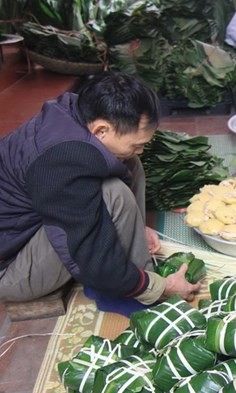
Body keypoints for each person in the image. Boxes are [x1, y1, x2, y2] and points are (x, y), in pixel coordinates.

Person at [0, 72, 199, 316]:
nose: (142, 148)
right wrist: (160, 288)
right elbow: (94, 263)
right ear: (102, 129)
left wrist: (137, 228)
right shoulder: (60, 161)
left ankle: (131, 265)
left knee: (130, 162)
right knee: (113, 194)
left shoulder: (77, 113)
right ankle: (125, 293)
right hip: (11, 271)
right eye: (136, 142)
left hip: (25, 232)